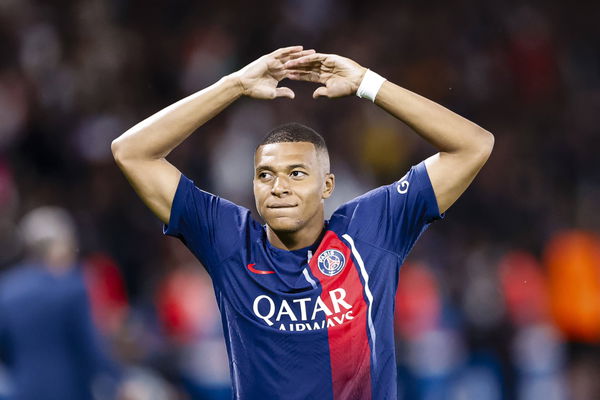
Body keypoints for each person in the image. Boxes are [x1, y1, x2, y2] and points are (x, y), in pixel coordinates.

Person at [111, 46, 494, 399]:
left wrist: (367, 83)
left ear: (327, 185)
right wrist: (234, 85)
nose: (279, 187)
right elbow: (131, 152)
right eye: (265, 175)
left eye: (296, 174)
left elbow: (473, 144)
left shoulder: (370, 229)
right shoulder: (228, 240)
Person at [0, 207, 121, 400]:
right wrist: (119, 380)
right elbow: (90, 348)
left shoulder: (7, 289)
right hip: (70, 392)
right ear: (61, 245)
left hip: (23, 392)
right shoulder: (72, 288)